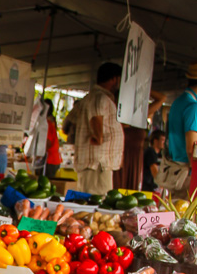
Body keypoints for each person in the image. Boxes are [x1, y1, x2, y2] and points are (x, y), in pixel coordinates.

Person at [73, 61, 124, 194]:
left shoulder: (91, 98)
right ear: (114, 79)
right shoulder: (99, 97)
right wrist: (98, 137)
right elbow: (96, 117)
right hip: (97, 165)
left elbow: (69, 123)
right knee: (96, 203)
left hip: (97, 165)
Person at [113, 91, 166, 190]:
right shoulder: (115, 116)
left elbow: (162, 98)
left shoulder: (137, 117)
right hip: (121, 158)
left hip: (135, 160)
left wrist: (140, 88)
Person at [167, 64, 197, 166]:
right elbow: (191, 149)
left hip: (175, 166)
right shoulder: (193, 107)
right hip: (187, 170)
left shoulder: (178, 102)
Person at [40, 99, 61, 178]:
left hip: (50, 160)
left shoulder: (47, 124)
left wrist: (38, 155)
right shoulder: (47, 122)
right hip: (51, 159)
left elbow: (48, 143)